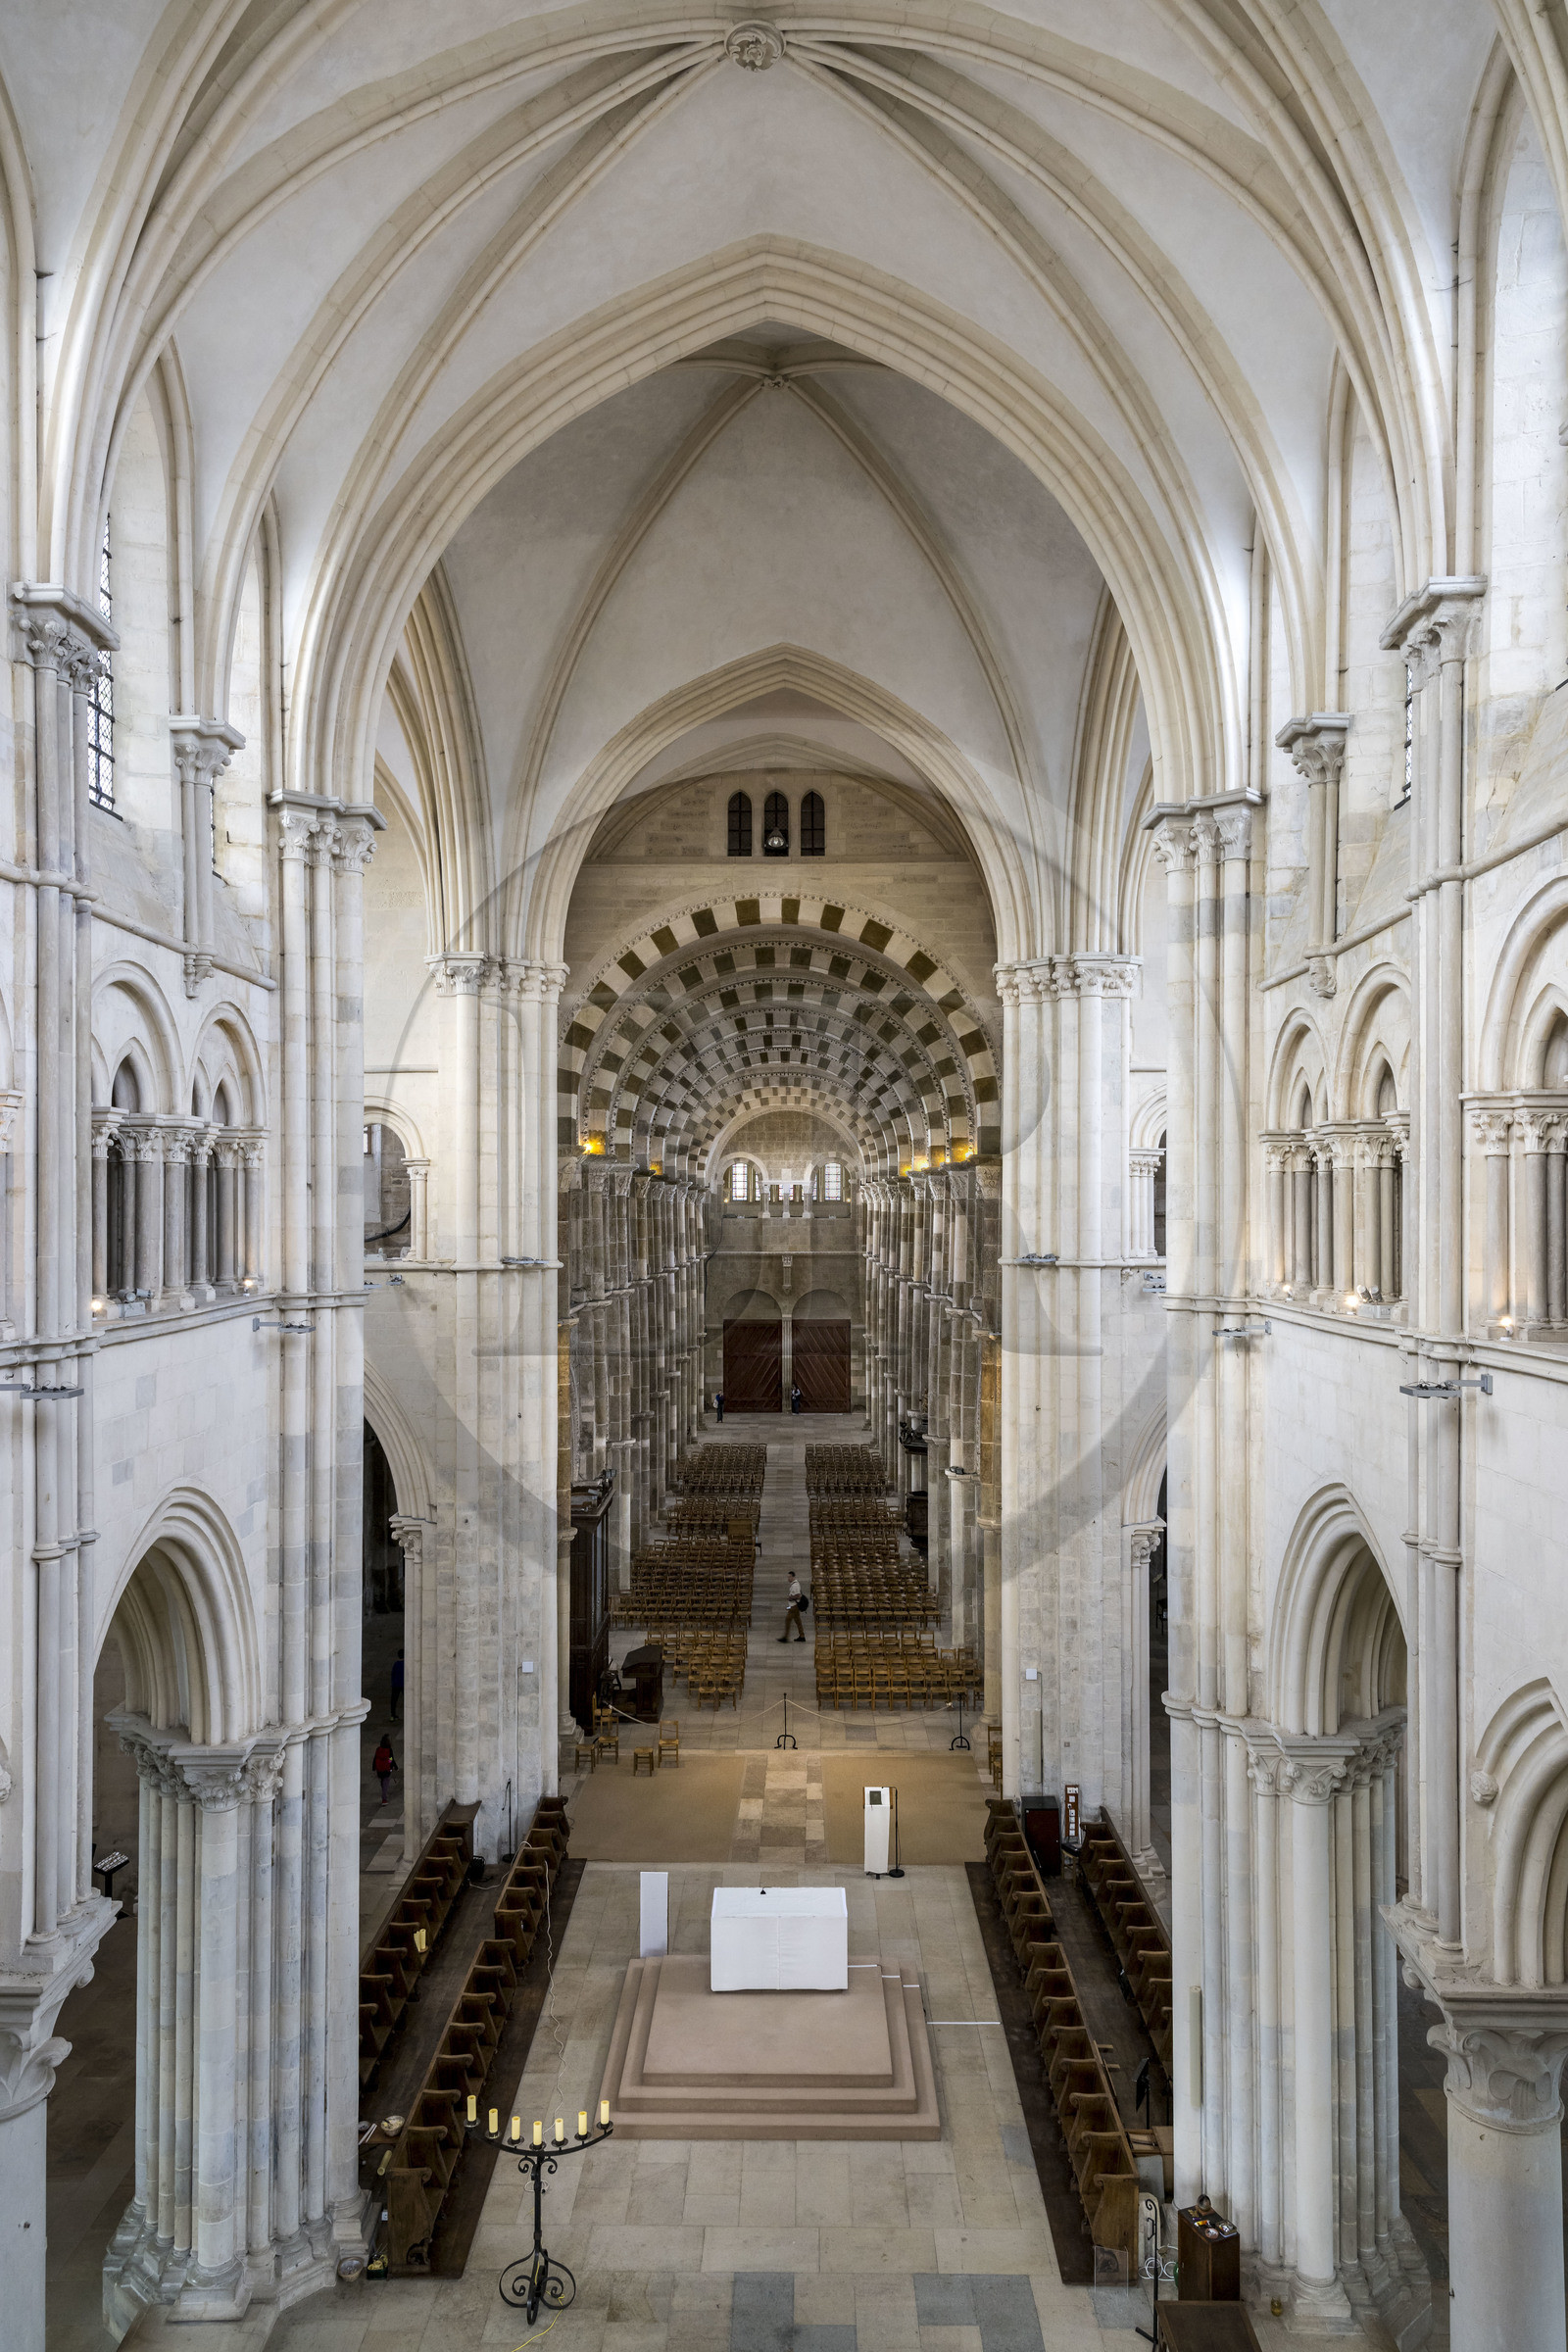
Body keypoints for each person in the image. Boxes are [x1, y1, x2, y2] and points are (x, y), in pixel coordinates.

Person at [778, 1573, 808, 1642]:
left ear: (793, 1577)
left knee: (787, 1620)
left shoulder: (795, 1585)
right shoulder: (794, 1584)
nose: (788, 1578)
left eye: (789, 1577)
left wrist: (790, 1597)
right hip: (793, 1606)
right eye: (788, 1577)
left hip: (794, 1607)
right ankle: (802, 1636)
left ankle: (785, 1637)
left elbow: (798, 1595)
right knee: (798, 1621)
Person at [371, 1735, 397, 1805]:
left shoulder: (378, 1749)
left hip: (379, 1769)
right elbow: (391, 1759)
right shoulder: (389, 1750)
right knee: (386, 1783)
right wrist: (392, 1766)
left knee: (382, 1782)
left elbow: (375, 1758)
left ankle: (384, 1793)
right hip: (386, 1769)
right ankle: (384, 1799)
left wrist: (374, 1767)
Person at [390, 1647, 405, 1720]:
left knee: (394, 1700)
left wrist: (393, 1683)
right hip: (403, 1684)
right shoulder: (405, 1664)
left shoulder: (396, 1664)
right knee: (406, 1700)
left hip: (395, 1684)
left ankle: (392, 1715)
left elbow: (393, 1674)